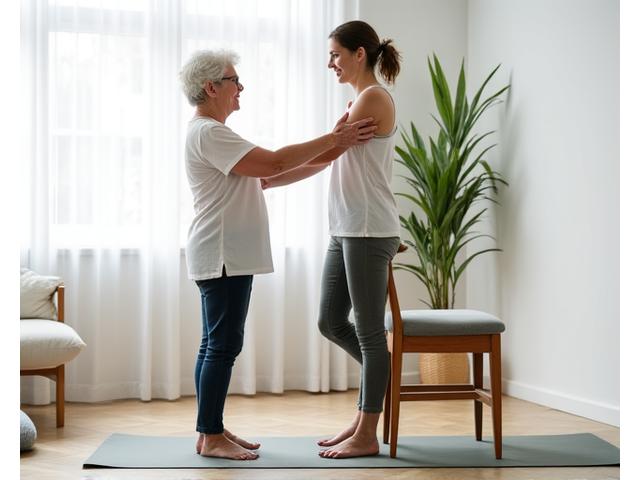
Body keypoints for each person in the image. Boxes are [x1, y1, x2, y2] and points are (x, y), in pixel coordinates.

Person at [178, 49, 377, 461]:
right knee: (221, 345)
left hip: (225, 253)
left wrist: (335, 149)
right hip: (222, 253)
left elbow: (273, 174)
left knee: (215, 344)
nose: (241, 88)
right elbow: (276, 160)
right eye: (235, 80)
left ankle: (208, 429)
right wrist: (332, 139)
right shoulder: (209, 133)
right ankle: (211, 435)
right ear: (211, 87)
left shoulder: (212, 134)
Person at [261, 21, 402, 459]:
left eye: (336, 55)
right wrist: (271, 181)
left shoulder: (374, 98)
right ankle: (371, 401)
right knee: (330, 321)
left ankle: (367, 430)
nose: (330, 63)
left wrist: (275, 172)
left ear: (360, 54)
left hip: (366, 228)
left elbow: (327, 153)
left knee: (367, 333)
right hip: (346, 228)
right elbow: (327, 161)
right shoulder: (357, 101)